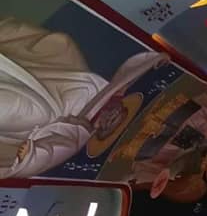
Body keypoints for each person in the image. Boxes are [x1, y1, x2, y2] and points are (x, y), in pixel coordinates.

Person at [0, 17, 167, 178]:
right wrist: (155, 62)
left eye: (111, 122)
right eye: (117, 116)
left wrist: (32, 156)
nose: (111, 118)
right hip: (64, 99)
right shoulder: (98, 107)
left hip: (51, 107)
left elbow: (59, 148)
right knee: (35, 111)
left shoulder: (78, 130)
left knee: (33, 112)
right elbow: (132, 73)